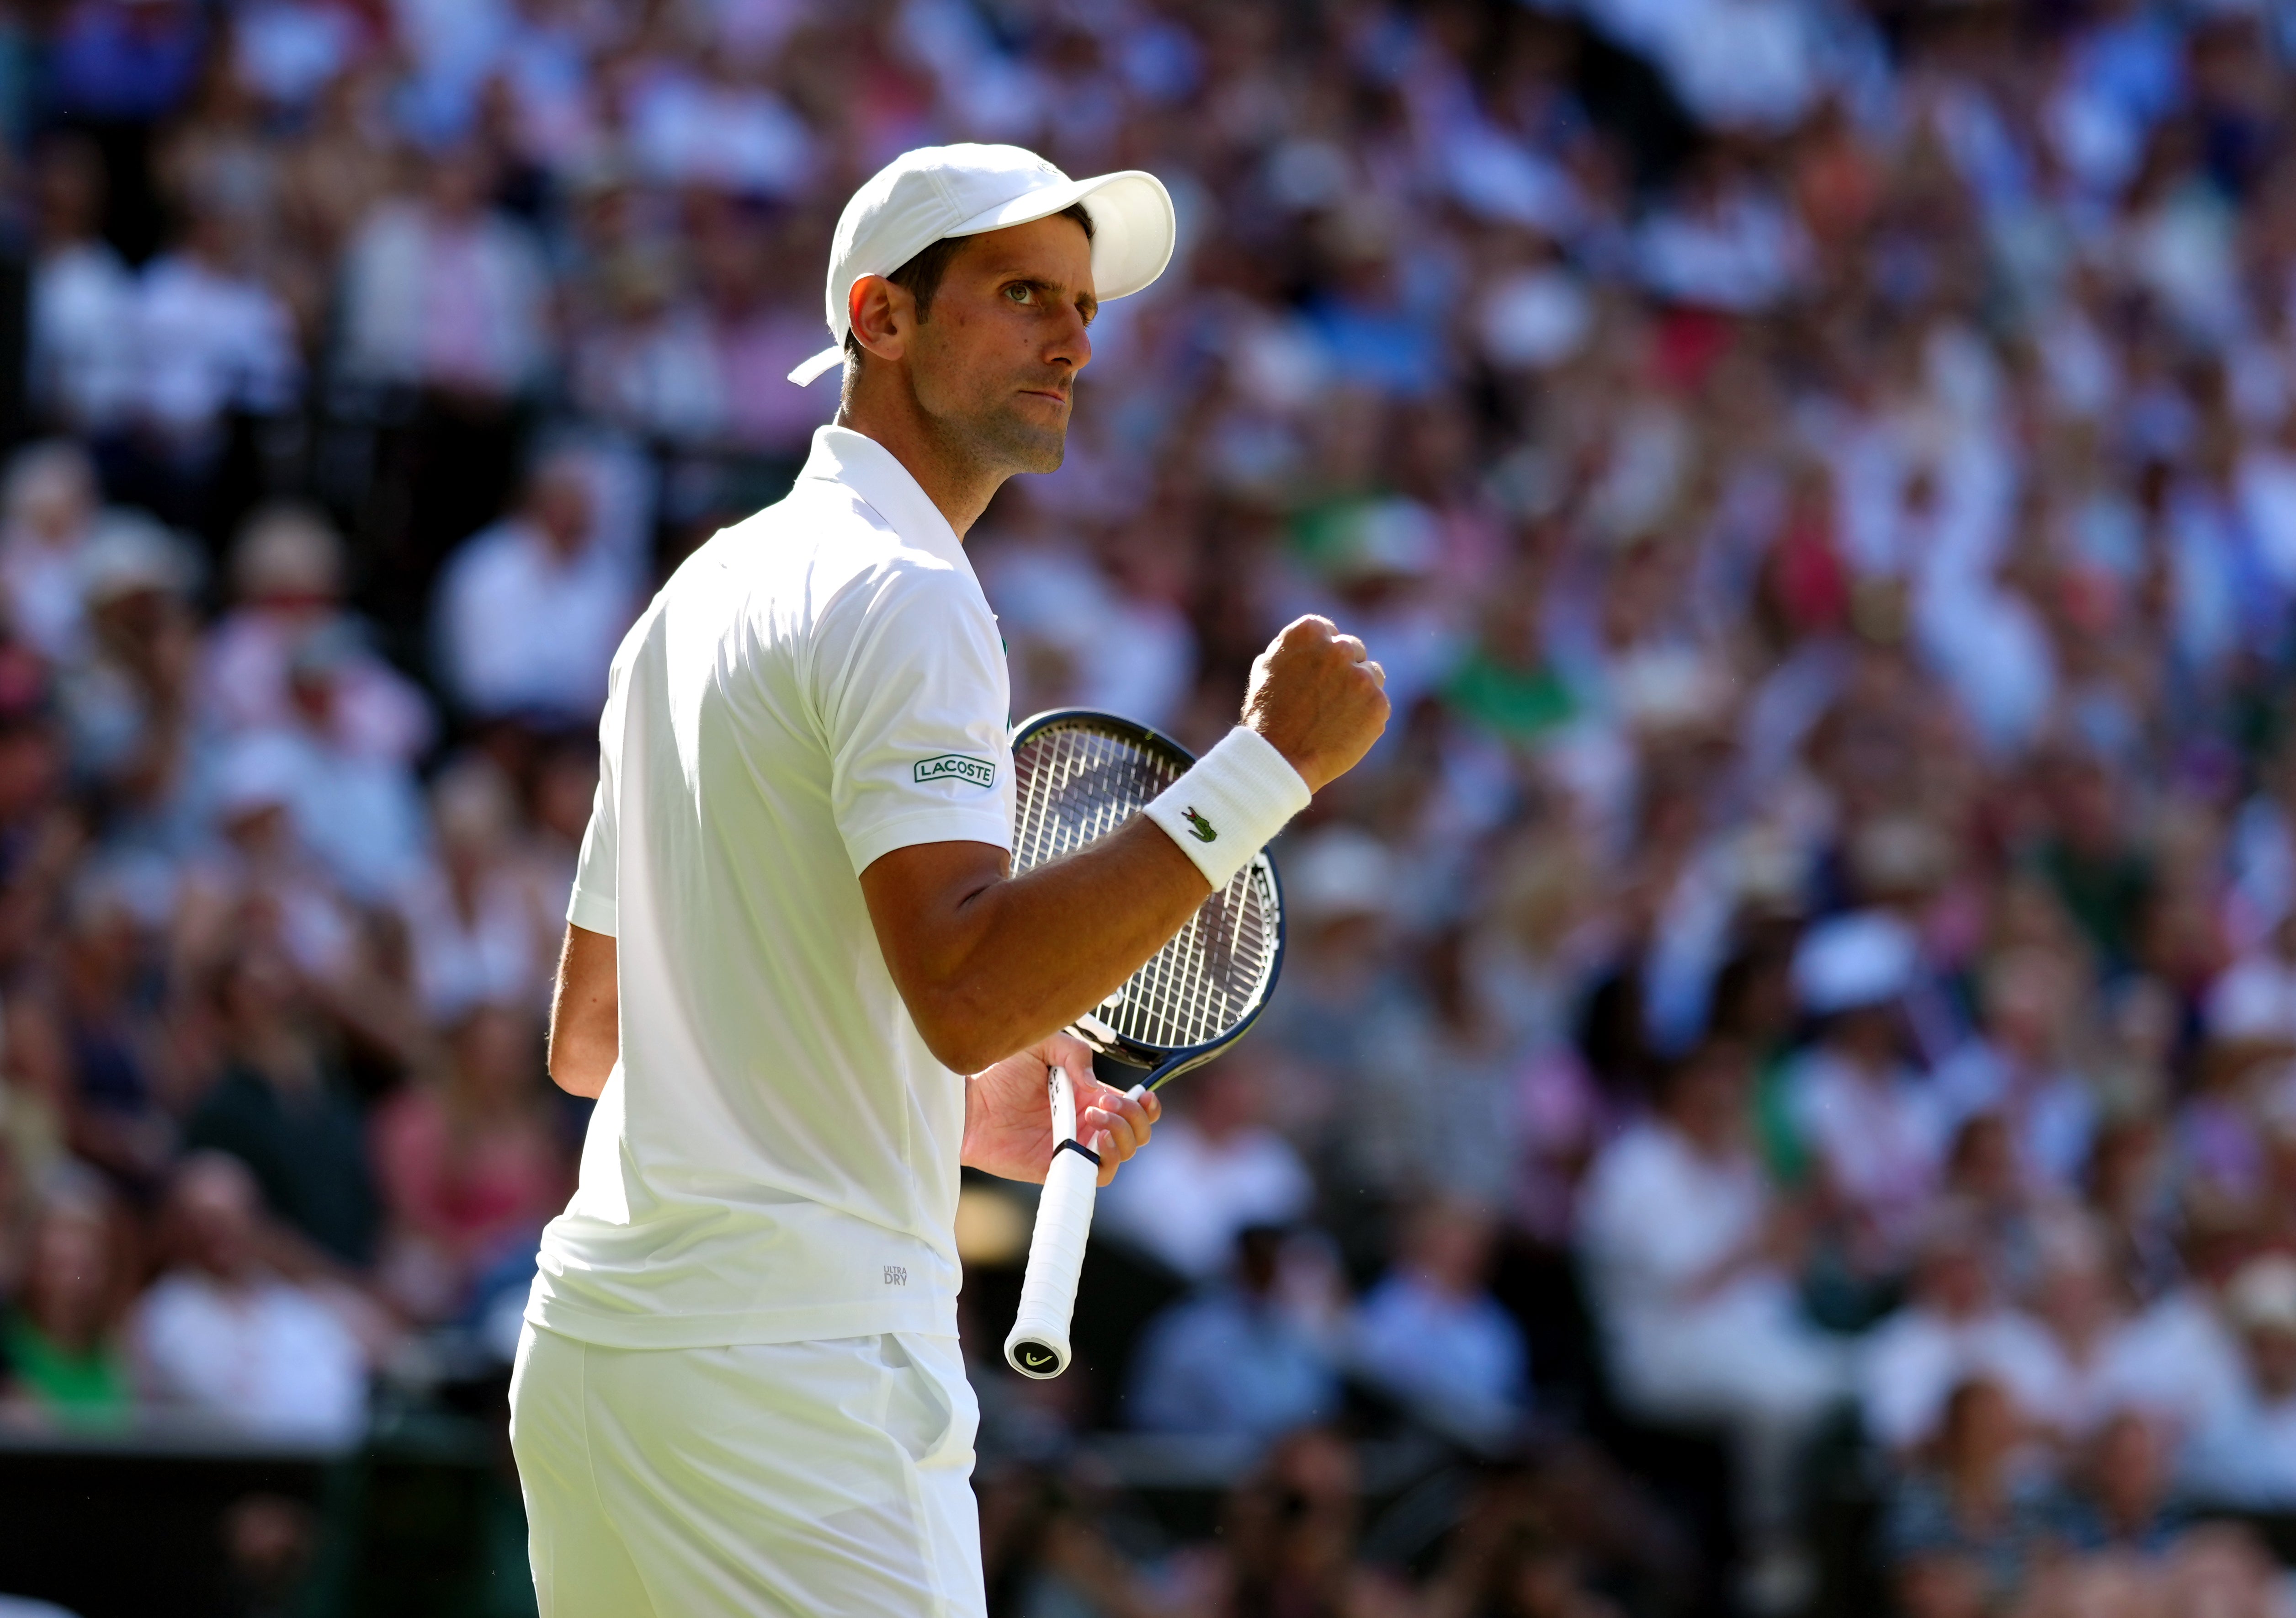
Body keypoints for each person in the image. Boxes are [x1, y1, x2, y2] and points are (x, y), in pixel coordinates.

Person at [509, 143, 1390, 1618]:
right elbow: (973, 983)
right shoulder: (905, 591)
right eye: (1021, 293)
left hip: (602, 1366)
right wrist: (1265, 773)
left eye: (1083, 304)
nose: (1073, 338)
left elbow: (596, 1035)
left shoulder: (697, 594)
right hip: (796, 1398)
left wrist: (930, 1091)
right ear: (883, 318)